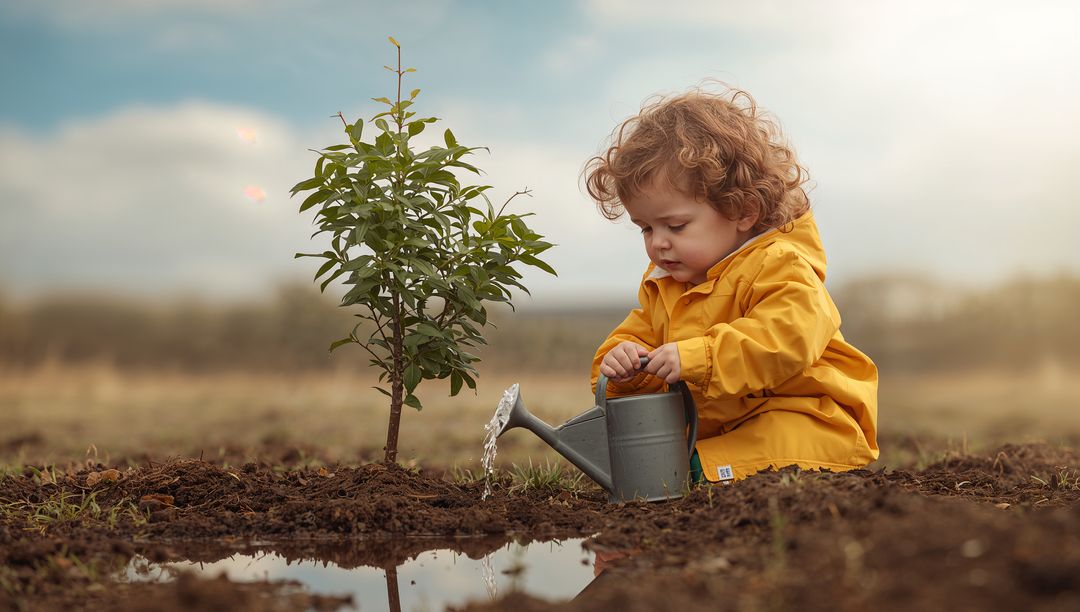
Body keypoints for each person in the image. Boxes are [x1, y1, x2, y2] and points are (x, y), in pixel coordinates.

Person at [582, 85, 878, 484]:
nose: (658, 242)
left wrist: (699, 358)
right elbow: (626, 348)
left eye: (676, 225)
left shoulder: (781, 265)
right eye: (646, 228)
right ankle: (700, 467)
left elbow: (786, 337)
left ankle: (703, 470)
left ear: (742, 210)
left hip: (806, 418)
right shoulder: (666, 286)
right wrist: (624, 367)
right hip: (724, 430)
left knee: (739, 451)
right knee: (677, 458)